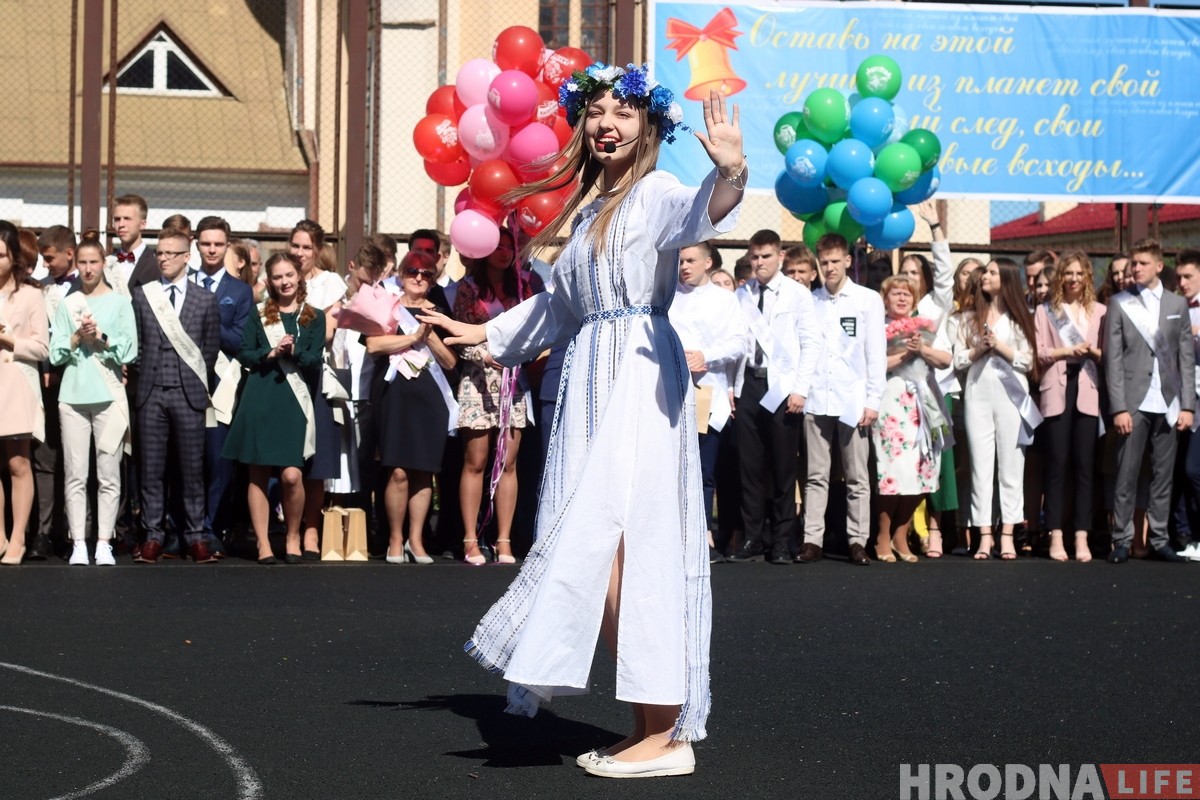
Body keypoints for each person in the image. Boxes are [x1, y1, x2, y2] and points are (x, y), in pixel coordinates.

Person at [418, 64, 745, 777]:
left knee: (633, 545)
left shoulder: (655, 193)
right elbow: (558, 307)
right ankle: (651, 726)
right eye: (596, 111)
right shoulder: (591, 210)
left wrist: (730, 172)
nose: (607, 123)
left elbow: (700, 212)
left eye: (623, 112)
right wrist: (479, 332)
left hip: (637, 375)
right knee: (601, 549)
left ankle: (667, 730)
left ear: (648, 125)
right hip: (592, 376)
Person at [223, 253, 327, 564]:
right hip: (260, 397)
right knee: (257, 473)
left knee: (292, 475)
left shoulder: (314, 316)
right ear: (269, 281)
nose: (284, 282)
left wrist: (294, 351)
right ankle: (263, 543)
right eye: (278, 277)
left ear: (299, 276)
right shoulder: (259, 314)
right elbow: (244, 353)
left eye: (289, 275)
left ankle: (293, 535)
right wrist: (270, 353)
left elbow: (315, 360)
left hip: (293, 402)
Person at [727, 229, 818, 565]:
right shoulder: (742, 295)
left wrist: (801, 389)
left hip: (782, 387)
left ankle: (781, 540)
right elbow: (736, 342)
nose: (759, 262)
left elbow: (810, 342)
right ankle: (753, 537)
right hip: (749, 384)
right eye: (754, 256)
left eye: (766, 256)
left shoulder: (797, 294)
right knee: (750, 466)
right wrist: (732, 388)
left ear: (780, 256)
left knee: (782, 467)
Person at [130, 227, 220, 563]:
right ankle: (153, 534)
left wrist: (192, 382)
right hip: (151, 392)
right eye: (160, 253)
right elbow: (137, 344)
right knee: (151, 469)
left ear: (187, 257)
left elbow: (209, 350)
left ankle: (195, 536)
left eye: (171, 253)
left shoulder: (205, 299)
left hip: (188, 393)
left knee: (192, 469)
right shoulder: (143, 295)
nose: (164, 259)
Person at [452, 227, 542, 565]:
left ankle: (504, 540)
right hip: (478, 380)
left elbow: (534, 331)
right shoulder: (468, 288)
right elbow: (459, 337)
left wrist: (519, 356)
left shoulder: (523, 287)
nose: (504, 252)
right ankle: (470, 540)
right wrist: (485, 356)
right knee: (475, 461)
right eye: (498, 246)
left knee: (508, 463)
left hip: (513, 380)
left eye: (509, 247)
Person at [797, 233, 887, 566]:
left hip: (853, 398)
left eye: (835, 261)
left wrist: (873, 399)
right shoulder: (811, 301)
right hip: (818, 396)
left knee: (857, 475)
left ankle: (857, 540)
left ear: (848, 261)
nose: (830, 267)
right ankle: (812, 540)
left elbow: (875, 353)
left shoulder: (867, 300)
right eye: (824, 262)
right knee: (816, 474)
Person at [1104, 238, 1194, 564]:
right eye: (1134, 263)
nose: (1136, 268)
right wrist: (1118, 407)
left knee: (1163, 475)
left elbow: (1185, 358)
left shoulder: (1177, 304)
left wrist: (1188, 405)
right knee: (1126, 474)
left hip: (1169, 401)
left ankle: (1159, 539)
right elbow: (1113, 360)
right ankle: (1122, 540)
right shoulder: (1120, 303)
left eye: (1143, 263)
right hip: (1133, 401)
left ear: (1159, 265)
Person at [49, 233, 137, 565]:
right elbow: (56, 353)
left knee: (108, 474)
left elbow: (130, 350)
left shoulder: (119, 302)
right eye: (83, 263)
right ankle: (78, 543)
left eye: (94, 262)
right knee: (75, 473)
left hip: (109, 397)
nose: (88, 269)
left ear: (103, 264)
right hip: (73, 397)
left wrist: (100, 337)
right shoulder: (68, 303)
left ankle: (104, 542)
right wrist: (76, 337)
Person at [366, 251, 458, 564]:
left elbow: (450, 362)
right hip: (394, 396)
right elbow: (374, 345)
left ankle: (416, 540)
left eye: (426, 273)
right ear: (402, 274)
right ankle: (395, 538)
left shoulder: (440, 312)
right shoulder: (388, 306)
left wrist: (429, 338)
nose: (418, 278)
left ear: (433, 280)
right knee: (398, 470)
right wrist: (413, 337)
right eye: (412, 271)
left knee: (424, 471)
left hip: (430, 398)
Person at [951, 258, 1040, 560]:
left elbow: (1029, 360)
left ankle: (1008, 535)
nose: (984, 276)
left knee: (1011, 468)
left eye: (991, 272)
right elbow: (958, 359)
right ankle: (984, 535)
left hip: (1011, 398)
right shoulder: (968, 318)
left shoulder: (1019, 318)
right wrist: (979, 349)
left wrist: (1000, 347)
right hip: (977, 396)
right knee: (980, 468)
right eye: (985, 272)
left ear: (1007, 278)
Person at [669, 242, 750, 561]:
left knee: (704, 470)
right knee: (672, 468)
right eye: (680, 261)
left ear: (708, 262)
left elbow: (739, 343)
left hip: (709, 394)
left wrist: (707, 355)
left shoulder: (725, 300)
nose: (684, 267)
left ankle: (702, 537)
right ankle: (673, 538)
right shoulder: (668, 296)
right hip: (671, 393)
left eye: (690, 260)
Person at [872, 275, 951, 562]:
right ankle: (882, 536)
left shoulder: (924, 327)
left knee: (921, 471)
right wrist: (905, 354)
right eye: (896, 293)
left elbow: (946, 359)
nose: (902, 298)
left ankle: (900, 534)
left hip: (924, 405)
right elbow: (873, 365)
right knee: (891, 472)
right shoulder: (877, 326)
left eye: (907, 294)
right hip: (891, 404)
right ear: (885, 299)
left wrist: (923, 349)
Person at [1034, 251, 1105, 563]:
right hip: (1057, 388)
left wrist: (1093, 352)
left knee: (1085, 466)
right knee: (1057, 464)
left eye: (1079, 273)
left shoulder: (1100, 311)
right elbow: (1039, 353)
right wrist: (1067, 350)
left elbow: (1108, 353)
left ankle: (1081, 535)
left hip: (1087, 388)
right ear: (1060, 276)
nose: (1073, 279)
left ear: (1087, 276)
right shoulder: (1045, 311)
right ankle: (1055, 534)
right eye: (1068, 273)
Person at [897, 201, 956, 557]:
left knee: (937, 461)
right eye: (903, 272)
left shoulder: (936, 304)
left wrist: (935, 226)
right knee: (906, 462)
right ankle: (905, 530)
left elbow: (946, 271)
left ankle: (935, 529)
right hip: (901, 398)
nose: (908, 278)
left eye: (915, 273)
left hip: (935, 392)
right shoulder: (894, 307)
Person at [193, 216, 254, 557]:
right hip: (185, 383)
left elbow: (242, 341)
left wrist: (209, 316)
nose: (212, 250)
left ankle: (212, 529)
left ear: (227, 245)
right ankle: (184, 528)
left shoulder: (240, 291)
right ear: (196, 244)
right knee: (186, 461)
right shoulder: (181, 283)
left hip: (222, 386)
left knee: (219, 461)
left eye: (218, 244)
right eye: (206, 243)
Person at [288, 219, 346, 554]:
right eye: (295, 246)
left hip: (317, 376)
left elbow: (326, 333)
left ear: (318, 249)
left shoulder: (331, 283)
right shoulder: (280, 276)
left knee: (317, 459)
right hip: (284, 374)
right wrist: (317, 316)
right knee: (289, 459)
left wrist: (299, 324)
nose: (299, 253)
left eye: (306, 247)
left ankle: (312, 529)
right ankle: (291, 530)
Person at [0, 221, 50, 564]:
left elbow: (42, 348)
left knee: (18, 462)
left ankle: (18, 538)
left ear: (14, 256)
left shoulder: (31, 295)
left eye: (1, 255)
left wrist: (7, 339)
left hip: (16, 383)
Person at [30, 225, 79, 560]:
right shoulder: (42, 288)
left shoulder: (91, 286)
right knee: (45, 457)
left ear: (69, 253)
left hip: (80, 383)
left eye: (49, 259)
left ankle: (78, 530)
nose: (45, 265)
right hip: (47, 384)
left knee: (78, 460)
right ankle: (44, 531)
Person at [1172, 250, 1200, 561]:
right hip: (1179, 397)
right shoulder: (1177, 308)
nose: (1182, 283)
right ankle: (1185, 534)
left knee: (1194, 468)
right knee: (1180, 468)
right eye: (1179, 277)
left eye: (1188, 276)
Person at [109, 194, 159, 292]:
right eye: (117, 219)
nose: (121, 224)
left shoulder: (155, 264)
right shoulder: (108, 263)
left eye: (127, 218)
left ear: (142, 224)